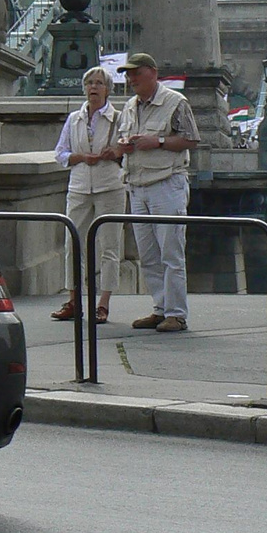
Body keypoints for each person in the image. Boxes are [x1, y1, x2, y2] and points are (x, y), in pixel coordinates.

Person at [109, 52, 200, 333]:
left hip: (166, 183)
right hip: (137, 185)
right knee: (148, 254)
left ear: (153, 72)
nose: (131, 79)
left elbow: (191, 139)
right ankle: (160, 308)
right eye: (127, 74)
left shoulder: (175, 102)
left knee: (171, 252)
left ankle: (176, 313)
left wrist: (157, 141)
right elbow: (116, 150)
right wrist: (122, 148)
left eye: (136, 73)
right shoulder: (129, 107)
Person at [51, 66, 124, 324]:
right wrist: (81, 157)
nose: (93, 88)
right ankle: (74, 301)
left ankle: (103, 304)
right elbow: (60, 154)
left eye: (99, 83)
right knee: (73, 244)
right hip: (80, 186)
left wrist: (114, 152)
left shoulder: (118, 118)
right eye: (90, 83)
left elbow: (127, 149)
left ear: (107, 90)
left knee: (110, 246)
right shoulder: (74, 119)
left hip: (110, 187)